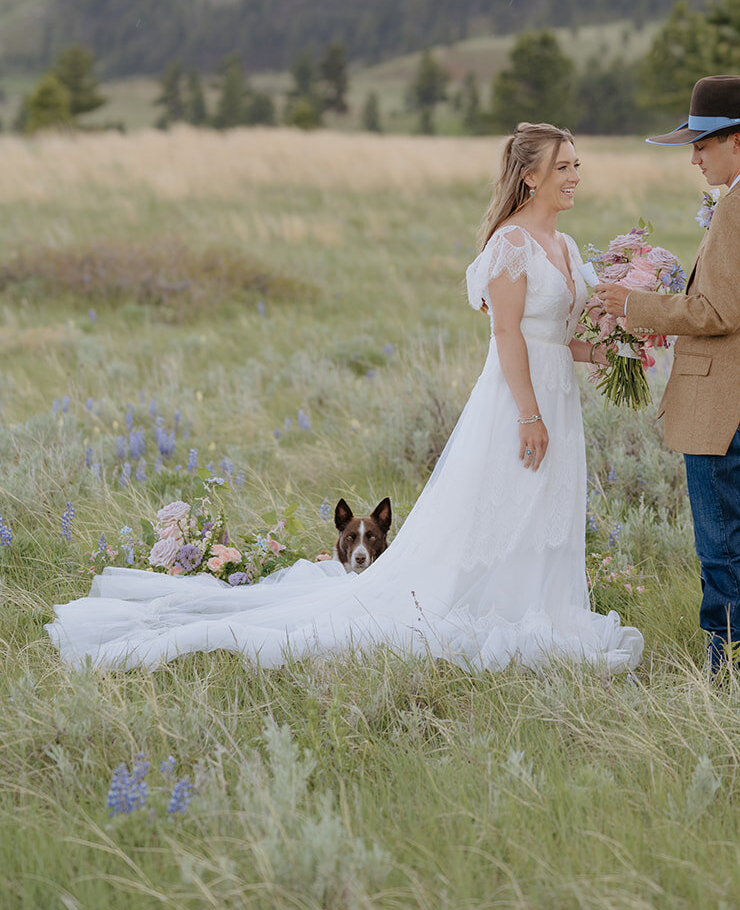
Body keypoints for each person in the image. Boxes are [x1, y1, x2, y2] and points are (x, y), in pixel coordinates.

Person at [47, 122, 643, 673]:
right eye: (563, 167)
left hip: (557, 397)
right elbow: (508, 334)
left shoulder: (564, 247)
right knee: (503, 506)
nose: (575, 177)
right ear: (530, 176)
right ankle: (495, 614)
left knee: (543, 510)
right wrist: (530, 415)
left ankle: (534, 609)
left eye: (577, 165)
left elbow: (557, 338)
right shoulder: (511, 245)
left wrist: (612, 353)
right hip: (518, 402)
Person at [598, 75, 740, 674]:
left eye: (702, 144)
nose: (693, 157)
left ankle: (736, 670)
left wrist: (629, 305)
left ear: (737, 141)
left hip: (720, 407)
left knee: (722, 548)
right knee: (736, 540)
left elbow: (715, 312)